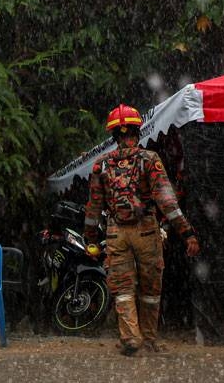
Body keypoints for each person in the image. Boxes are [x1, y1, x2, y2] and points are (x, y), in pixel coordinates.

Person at [83, 104, 201, 356]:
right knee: (150, 289)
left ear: (114, 136)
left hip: (116, 233)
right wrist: (187, 233)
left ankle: (130, 338)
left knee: (123, 289)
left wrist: (90, 239)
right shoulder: (150, 160)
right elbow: (167, 202)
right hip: (147, 231)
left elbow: (93, 208)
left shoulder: (101, 165)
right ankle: (148, 339)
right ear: (138, 132)